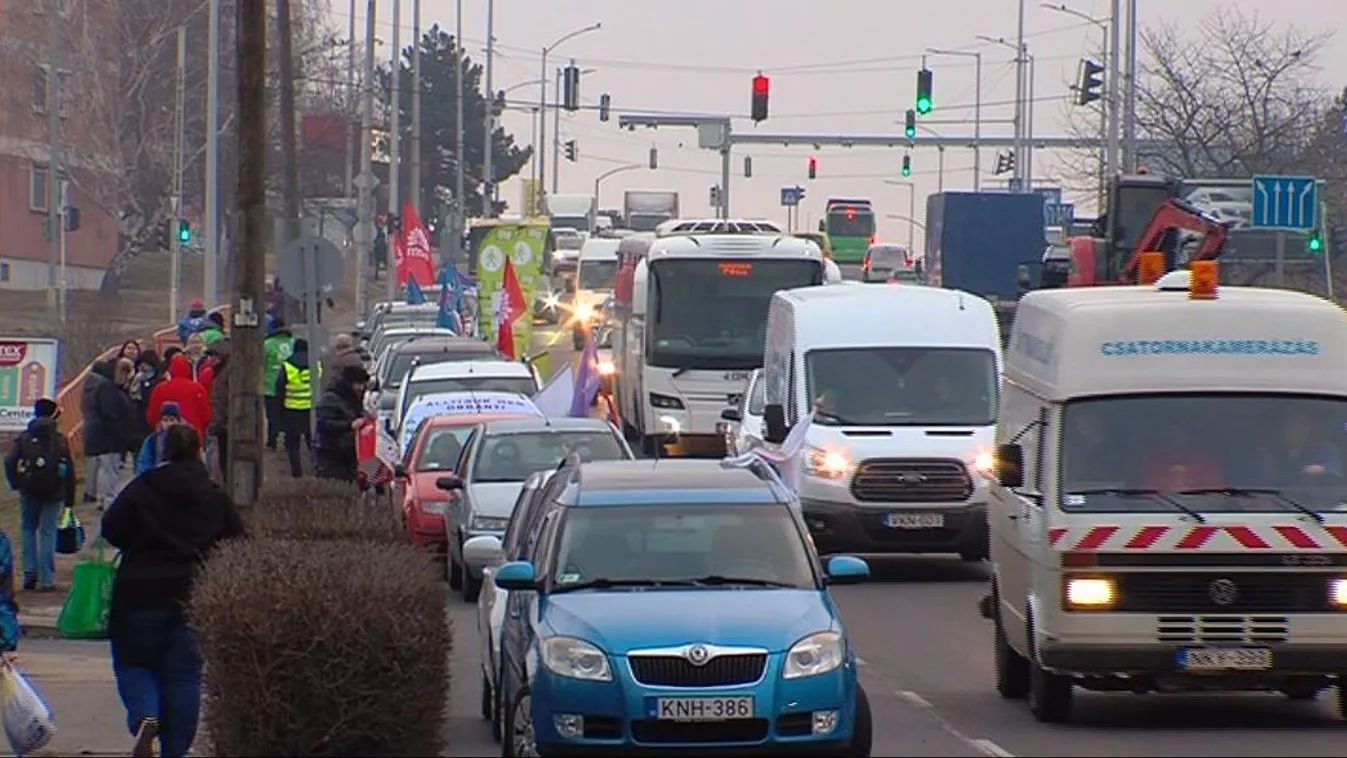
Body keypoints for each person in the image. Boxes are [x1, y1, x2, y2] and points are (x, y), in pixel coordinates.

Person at [103, 424, 245, 758]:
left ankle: (145, 716)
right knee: (184, 675)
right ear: (198, 452)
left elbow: (112, 528)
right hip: (194, 592)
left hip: (139, 593)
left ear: (163, 450)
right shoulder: (214, 496)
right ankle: (176, 749)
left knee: (133, 663)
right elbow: (238, 542)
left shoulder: (143, 488)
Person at [3, 399, 76, 591]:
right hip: (55, 491)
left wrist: (16, 482)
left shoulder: (25, 437)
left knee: (28, 529)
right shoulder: (60, 439)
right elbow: (69, 469)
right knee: (48, 532)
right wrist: (70, 497)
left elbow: (9, 460)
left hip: (29, 489)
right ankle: (47, 579)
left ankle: (29, 572)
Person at [83, 360, 137, 510]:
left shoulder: (105, 387)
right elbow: (109, 414)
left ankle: (104, 498)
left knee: (106, 468)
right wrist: (120, 435)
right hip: (109, 437)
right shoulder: (109, 389)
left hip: (104, 435)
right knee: (110, 469)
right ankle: (108, 500)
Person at [1252, 407, 1343, 485]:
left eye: (1298, 424)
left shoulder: (1326, 449)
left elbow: (1335, 476)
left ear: (1308, 428)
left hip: (1321, 502)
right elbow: (1259, 481)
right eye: (1288, 424)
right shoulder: (1267, 452)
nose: (1293, 429)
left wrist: (1321, 471)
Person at [313, 365, 368, 482]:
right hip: (331, 456)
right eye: (359, 384)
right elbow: (325, 424)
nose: (361, 388)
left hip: (347, 456)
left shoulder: (352, 399)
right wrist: (350, 425)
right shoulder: (330, 399)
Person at [1141, 420, 1225, 491]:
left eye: (1180, 432)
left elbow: (1216, 492)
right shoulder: (1155, 461)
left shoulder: (1206, 462)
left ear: (1189, 435)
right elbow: (1148, 491)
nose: (1176, 437)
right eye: (1171, 433)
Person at [274, 338, 314, 478]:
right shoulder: (315, 363)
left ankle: (297, 473)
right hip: (311, 410)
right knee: (313, 442)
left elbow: (280, 389)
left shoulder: (287, 366)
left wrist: (278, 412)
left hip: (292, 410)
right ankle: (316, 468)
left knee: (293, 444)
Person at [147, 355, 212, 437]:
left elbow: (152, 416)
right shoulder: (199, 389)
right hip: (193, 437)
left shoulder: (160, 388)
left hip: (166, 435)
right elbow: (206, 417)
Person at [263, 319, 295, 450]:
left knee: (272, 416)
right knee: (288, 414)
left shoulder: (267, 344)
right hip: (291, 386)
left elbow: (262, 365)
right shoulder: (292, 343)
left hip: (271, 386)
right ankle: (289, 441)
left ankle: (272, 441)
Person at [205, 340, 232, 474]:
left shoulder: (228, 372)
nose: (211, 359)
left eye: (214, 356)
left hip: (227, 424)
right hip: (222, 424)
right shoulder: (218, 372)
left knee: (226, 463)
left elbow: (225, 400)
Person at [136, 402, 184, 476]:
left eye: (172, 420)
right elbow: (144, 463)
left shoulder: (186, 439)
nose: (169, 424)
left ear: (178, 421)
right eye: (165, 420)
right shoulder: (152, 440)